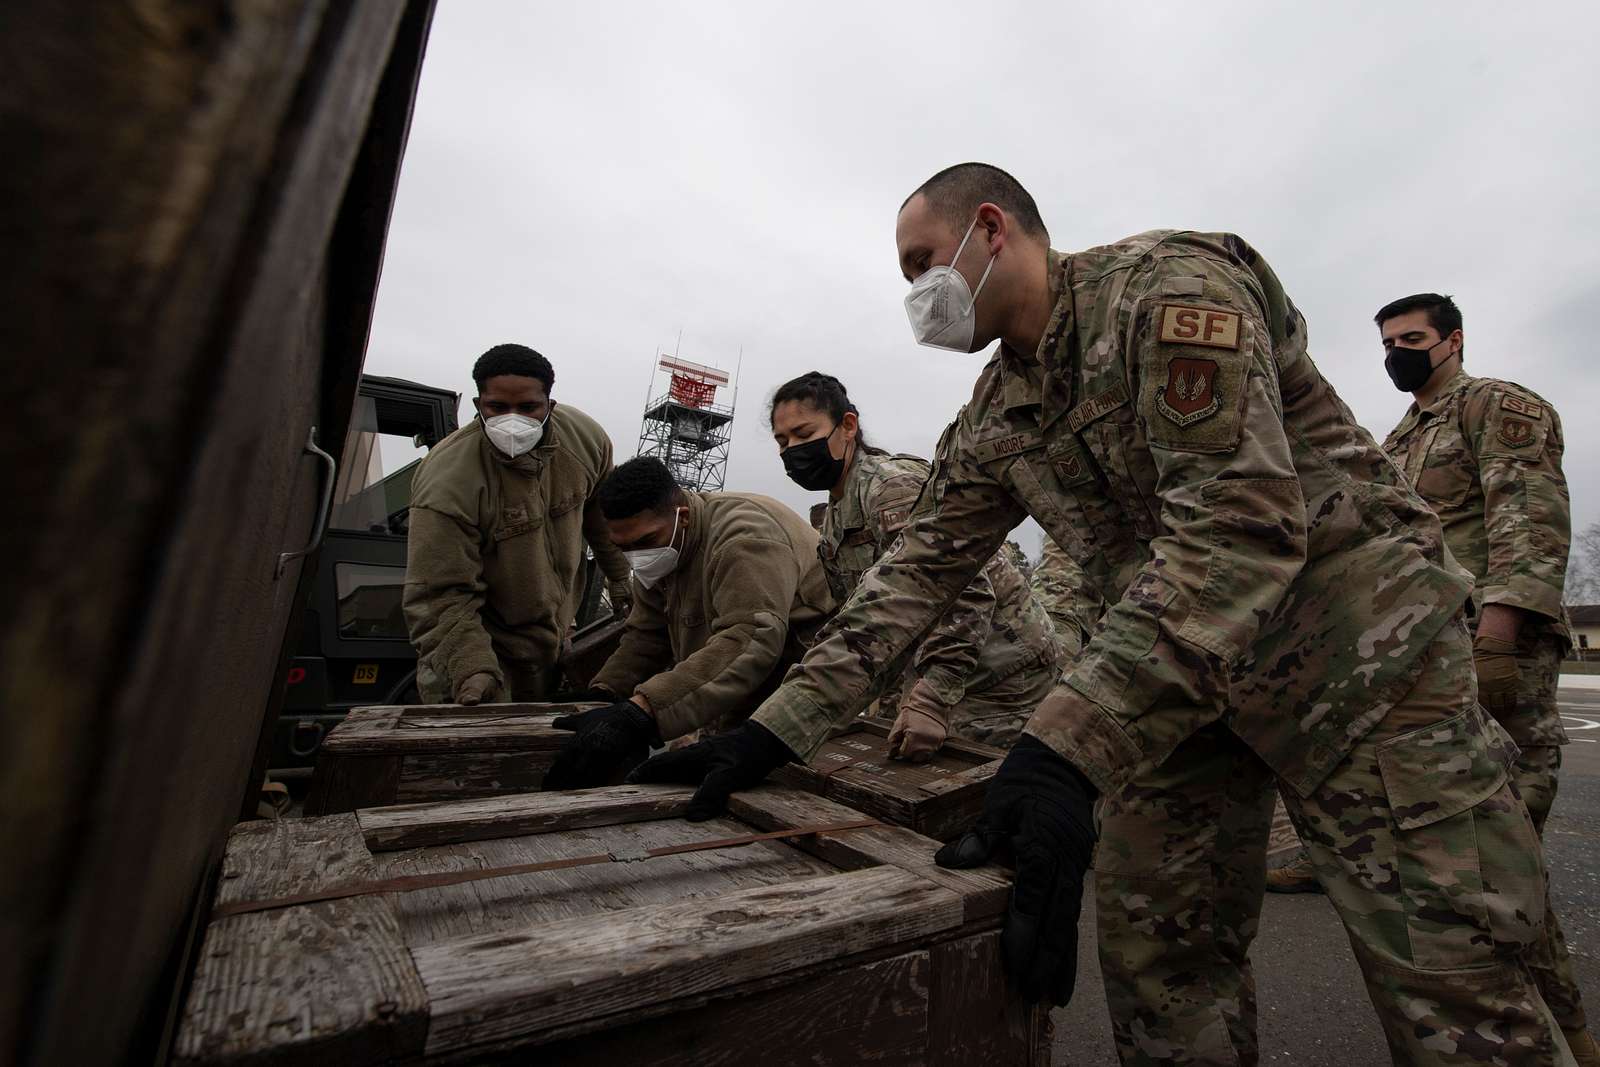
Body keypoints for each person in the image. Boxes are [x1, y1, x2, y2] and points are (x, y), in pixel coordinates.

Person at [630, 163, 1567, 1065]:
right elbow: (911, 578)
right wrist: (767, 734)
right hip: (1181, 685)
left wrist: (1062, 746)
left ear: (991, 228)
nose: (916, 293)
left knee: (1454, 985)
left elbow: (1239, 530)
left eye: (922, 264)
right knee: (1160, 959)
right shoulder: (999, 411)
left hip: (1359, 664)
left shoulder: (1166, 291)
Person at [1376, 293, 1592, 1062]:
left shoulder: (1495, 405)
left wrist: (1499, 636)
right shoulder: (1399, 438)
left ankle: (1548, 1033)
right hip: (1433, 664)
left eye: (1412, 338)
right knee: (1488, 864)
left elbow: (1527, 516)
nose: (1398, 352)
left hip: (1495, 656)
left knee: (1501, 859)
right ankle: (1553, 1029)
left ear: (1453, 340)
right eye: (1388, 342)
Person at [769, 371, 1061, 759]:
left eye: (804, 434)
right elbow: (870, 621)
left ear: (848, 426)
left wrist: (932, 697)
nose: (792, 450)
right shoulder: (836, 513)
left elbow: (966, 593)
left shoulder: (893, 488)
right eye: (782, 441)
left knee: (965, 793)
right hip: (939, 670)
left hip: (1000, 675)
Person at [542, 456, 833, 789]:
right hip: (737, 686)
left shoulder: (744, 539)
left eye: (644, 542)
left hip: (802, 687)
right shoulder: (663, 549)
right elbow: (647, 636)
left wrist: (641, 712)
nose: (636, 557)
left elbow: (749, 640)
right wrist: (605, 694)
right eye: (624, 548)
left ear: (683, 516)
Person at [403, 344, 631, 705]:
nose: (513, 421)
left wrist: (620, 577)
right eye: (497, 408)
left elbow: (603, 515)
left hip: (555, 646)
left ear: (549, 407)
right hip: (481, 651)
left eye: (528, 408)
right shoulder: (447, 481)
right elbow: (438, 596)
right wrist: (471, 668)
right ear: (479, 406)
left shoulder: (585, 441)